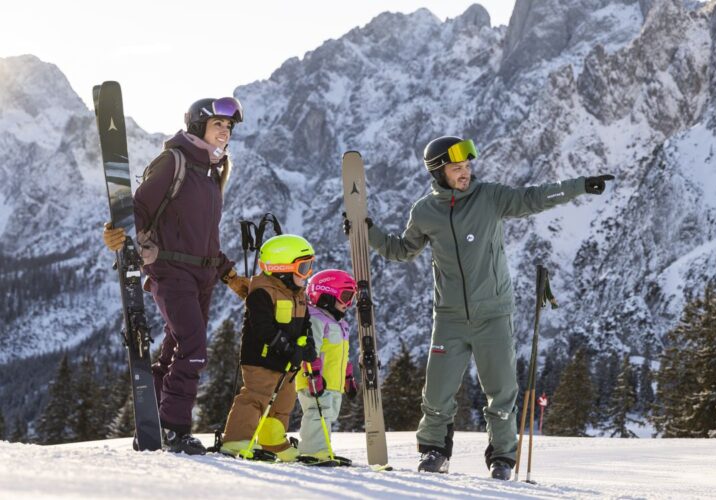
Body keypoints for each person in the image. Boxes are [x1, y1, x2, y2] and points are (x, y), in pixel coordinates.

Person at [359, 136, 614, 479]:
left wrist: (579, 186)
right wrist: (368, 232)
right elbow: (402, 250)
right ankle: (435, 452)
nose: (465, 172)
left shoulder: (490, 197)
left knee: (502, 391)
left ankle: (502, 458)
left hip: (493, 313)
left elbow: (533, 197)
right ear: (438, 172)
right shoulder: (424, 211)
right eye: (456, 168)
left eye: (467, 166)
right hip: (449, 317)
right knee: (437, 392)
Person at [102, 97, 251, 454]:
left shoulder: (212, 174)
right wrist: (116, 231)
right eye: (218, 124)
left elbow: (206, 238)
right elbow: (139, 207)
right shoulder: (175, 161)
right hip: (171, 270)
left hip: (202, 277)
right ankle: (174, 428)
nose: (225, 131)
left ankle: (152, 423)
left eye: (229, 127)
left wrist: (229, 274)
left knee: (175, 349)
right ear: (199, 126)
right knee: (193, 347)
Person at [219, 234, 317, 461]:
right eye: (303, 268)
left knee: (284, 401)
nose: (308, 274)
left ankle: (273, 441)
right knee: (256, 396)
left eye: (310, 266)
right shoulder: (261, 292)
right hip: (261, 358)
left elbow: (305, 324)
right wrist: (288, 348)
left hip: (286, 362)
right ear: (282, 269)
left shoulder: (298, 295)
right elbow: (263, 329)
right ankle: (236, 439)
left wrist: (308, 344)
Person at [296, 269, 360, 462]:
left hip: (332, 382)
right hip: (315, 380)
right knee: (317, 413)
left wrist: (347, 377)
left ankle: (323, 449)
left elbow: (341, 354)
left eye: (352, 298)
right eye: (346, 296)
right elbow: (310, 350)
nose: (348, 303)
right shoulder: (315, 319)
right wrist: (313, 375)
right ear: (326, 295)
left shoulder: (340, 324)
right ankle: (312, 451)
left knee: (328, 415)